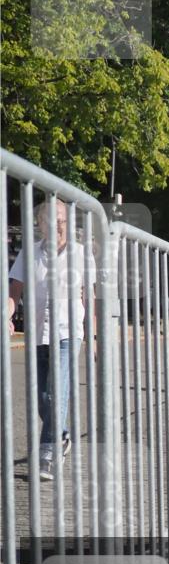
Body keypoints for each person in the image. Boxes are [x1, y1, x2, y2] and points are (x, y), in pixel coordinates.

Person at [7, 198, 95, 481]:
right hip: (36, 333)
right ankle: (63, 434)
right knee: (42, 398)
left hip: (69, 332)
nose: (55, 225)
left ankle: (47, 453)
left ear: (68, 224)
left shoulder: (82, 254)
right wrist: (5, 315)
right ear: (39, 224)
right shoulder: (28, 254)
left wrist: (93, 336)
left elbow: (89, 298)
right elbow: (14, 293)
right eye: (49, 220)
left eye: (60, 220)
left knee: (56, 392)